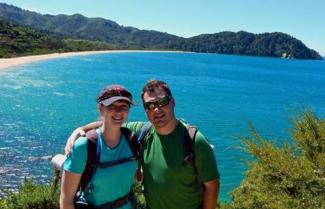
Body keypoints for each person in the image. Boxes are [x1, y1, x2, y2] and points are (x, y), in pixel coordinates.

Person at [66, 79, 220, 209]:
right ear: (146, 111)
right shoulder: (143, 131)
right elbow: (112, 123)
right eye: (150, 105)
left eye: (163, 102)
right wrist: (80, 129)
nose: (157, 109)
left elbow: (212, 187)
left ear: (173, 103)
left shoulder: (194, 140)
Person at [60, 84, 137, 209]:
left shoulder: (132, 139)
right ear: (101, 108)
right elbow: (66, 201)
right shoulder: (84, 146)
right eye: (112, 106)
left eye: (124, 106)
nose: (118, 111)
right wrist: (79, 130)